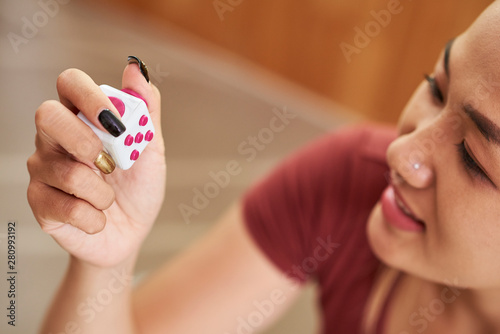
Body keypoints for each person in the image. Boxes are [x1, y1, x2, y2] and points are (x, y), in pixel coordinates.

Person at [27, 1, 500, 333]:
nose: (402, 154)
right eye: (436, 86)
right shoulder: (353, 177)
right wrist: (105, 259)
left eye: (473, 160)